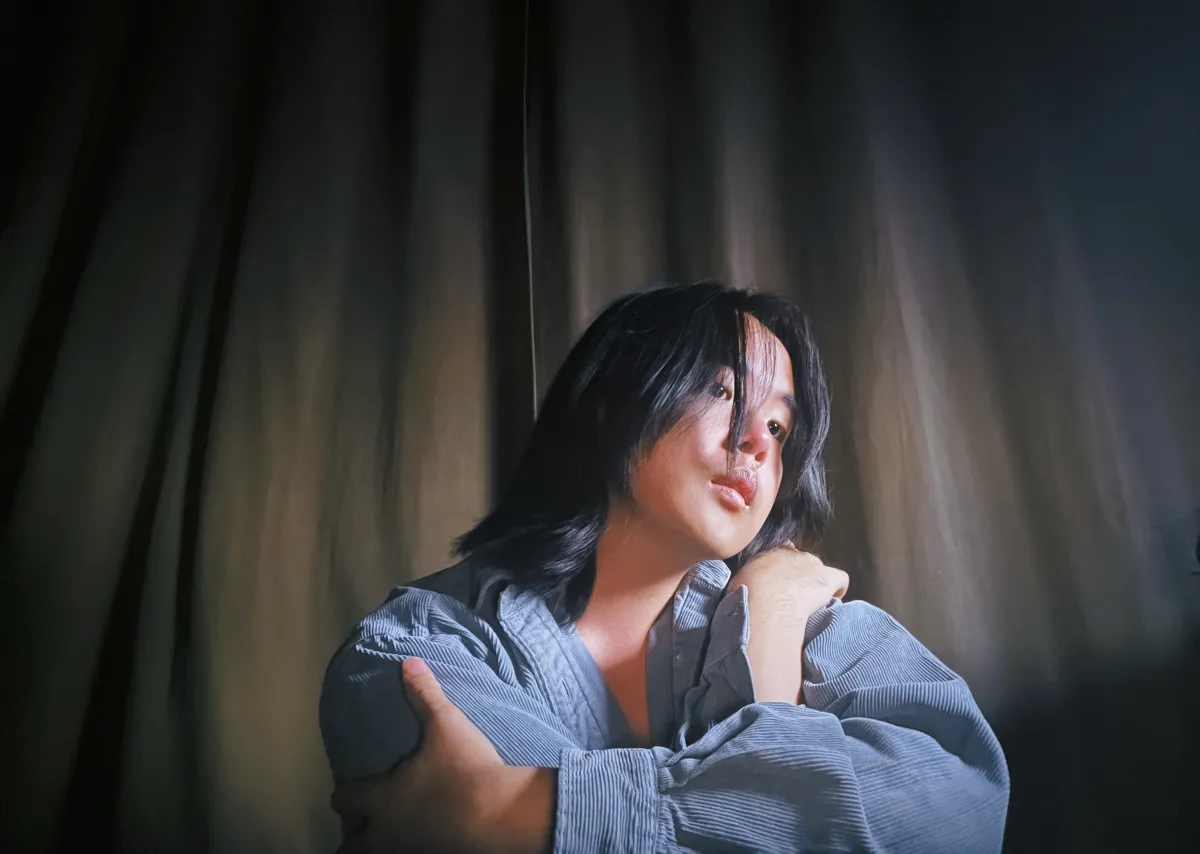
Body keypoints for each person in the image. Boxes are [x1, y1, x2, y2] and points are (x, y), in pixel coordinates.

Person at [319, 281, 1010, 853]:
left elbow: (963, 805)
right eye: (720, 390)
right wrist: (769, 697)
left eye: (779, 426)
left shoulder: (813, 624)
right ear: (611, 400)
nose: (755, 442)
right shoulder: (413, 653)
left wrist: (528, 816)